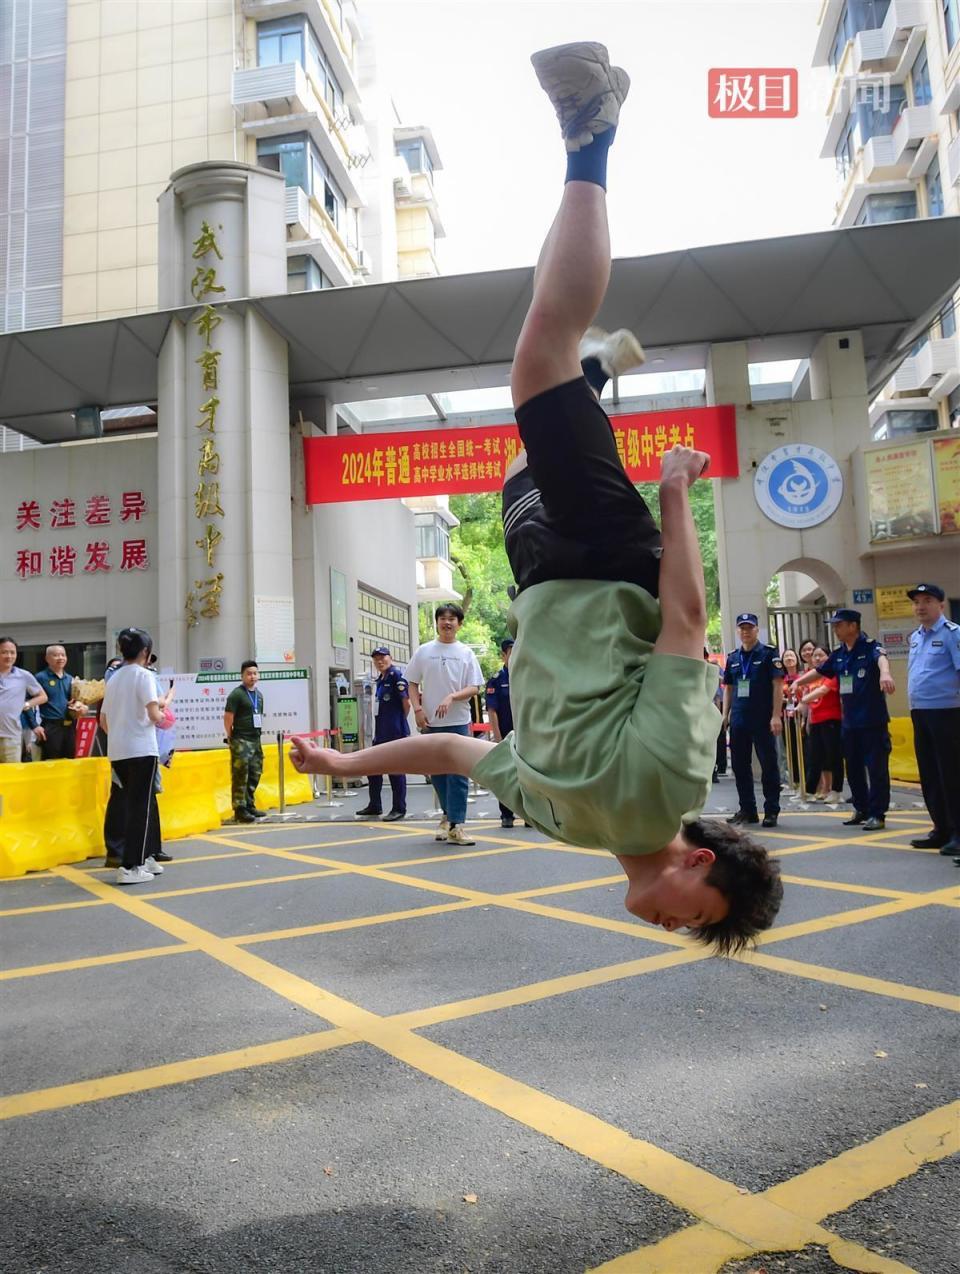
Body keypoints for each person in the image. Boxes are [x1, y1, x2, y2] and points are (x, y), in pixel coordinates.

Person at [290, 41, 783, 956]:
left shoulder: (575, 825)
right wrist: (674, 491)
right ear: (702, 864)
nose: (672, 922)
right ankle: (591, 132)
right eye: (695, 914)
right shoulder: (668, 791)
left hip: (543, 579)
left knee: (528, 440)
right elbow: (684, 627)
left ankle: (593, 369)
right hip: (608, 566)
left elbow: (447, 751)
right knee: (536, 363)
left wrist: (342, 762)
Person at [793, 608, 894, 831]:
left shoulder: (870, 647)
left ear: (853, 626)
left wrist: (885, 674)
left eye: (839, 625)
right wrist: (798, 682)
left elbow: (882, 660)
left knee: (876, 769)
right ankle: (862, 808)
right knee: (854, 768)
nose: (835, 629)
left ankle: (878, 813)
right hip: (850, 723)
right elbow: (821, 671)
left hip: (872, 721)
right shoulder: (840, 654)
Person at [404, 603, 484, 847]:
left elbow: (474, 687)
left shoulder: (466, 653)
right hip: (432, 722)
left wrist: (451, 697)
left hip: (459, 721)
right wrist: (417, 709)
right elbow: (412, 682)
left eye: (452, 619)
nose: (447, 622)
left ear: (459, 624)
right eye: (443, 618)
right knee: (437, 773)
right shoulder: (424, 651)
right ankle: (448, 818)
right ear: (437, 622)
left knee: (459, 773)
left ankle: (457, 825)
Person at [99, 627, 167, 884]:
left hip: (118, 751)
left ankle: (145, 856)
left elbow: (104, 721)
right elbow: (154, 715)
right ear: (146, 653)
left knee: (136, 804)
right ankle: (131, 866)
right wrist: (164, 716)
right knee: (142, 807)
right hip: (142, 750)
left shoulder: (114, 677)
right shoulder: (143, 675)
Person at [904, 584, 960, 857]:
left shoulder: (953, 634)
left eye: (927, 601)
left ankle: (958, 832)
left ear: (941, 604)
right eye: (916, 602)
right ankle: (941, 828)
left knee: (951, 773)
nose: (920, 606)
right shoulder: (916, 637)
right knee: (930, 774)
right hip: (921, 711)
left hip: (947, 712)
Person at [722, 614, 784, 828]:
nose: (745, 632)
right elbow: (728, 688)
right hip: (739, 718)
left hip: (763, 718)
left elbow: (778, 685)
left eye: (750, 628)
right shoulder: (732, 657)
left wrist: (776, 715)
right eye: (742, 628)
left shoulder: (768, 654)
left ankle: (771, 810)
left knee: (768, 764)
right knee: (740, 765)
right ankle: (747, 809)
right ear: (738, 631)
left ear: (757, 630)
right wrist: (725, 714)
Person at [355, 646, 411, 822]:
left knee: (396, 770)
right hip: (381, 732)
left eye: (383, 657)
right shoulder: (380, 679)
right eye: (376, 659)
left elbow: (406, 703)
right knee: (373, 767)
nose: (380, 661)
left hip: (395, 732)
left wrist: (399, 723)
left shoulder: (397, 676)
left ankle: (399, 808)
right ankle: (375, 804)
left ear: (390, 658)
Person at [224, 661, 267, 823]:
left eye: (255, 673)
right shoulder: (237, 695)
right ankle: (239, 809)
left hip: (255, 740)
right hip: (241, 740)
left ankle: (249, 804)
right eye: (249, 673)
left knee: (255, 773)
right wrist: (231, 736)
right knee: (240, 775)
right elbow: (228, 717)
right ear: (242, 675)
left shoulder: (259, 695)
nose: (252, 676)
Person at [800, 646, 843, 803]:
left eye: (821, 655)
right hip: (816, 719)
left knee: (833, 756)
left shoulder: (831, 675)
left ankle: (836, 790)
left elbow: (823, 691)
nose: (817, 658)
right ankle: (810, 790)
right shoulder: (813, 677)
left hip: (831, 718)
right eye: (815, 656)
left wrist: (803, 700)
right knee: (814, 756)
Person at [485, 638, 518, 827]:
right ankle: (506, 814)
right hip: (505, 733)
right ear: (503, 655)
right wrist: (497, 738)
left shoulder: (528, 676)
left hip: (527, 734)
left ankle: (531, 815)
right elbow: (492, 711)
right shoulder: (497, 680)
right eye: (511, 653)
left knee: (527, 774)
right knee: (505, 773)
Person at [0, 637, 46, 764]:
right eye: (4, 652)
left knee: (11, 777)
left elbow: (43, 696)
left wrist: (26, 704)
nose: (9, 656)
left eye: (12, 652)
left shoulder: (23, 676)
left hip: (11, 736)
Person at [34, 644, 83, 760]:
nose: (60, 658)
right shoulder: (40, 678)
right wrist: (34, 725)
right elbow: (31, 704)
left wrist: (78, 705)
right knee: (51, 761)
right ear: (47, 659)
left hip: (69, 726)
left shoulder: (70, 679)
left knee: (69, 760)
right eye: (56, 655)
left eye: (63, 655)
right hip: (50, 726)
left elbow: (75, 700)